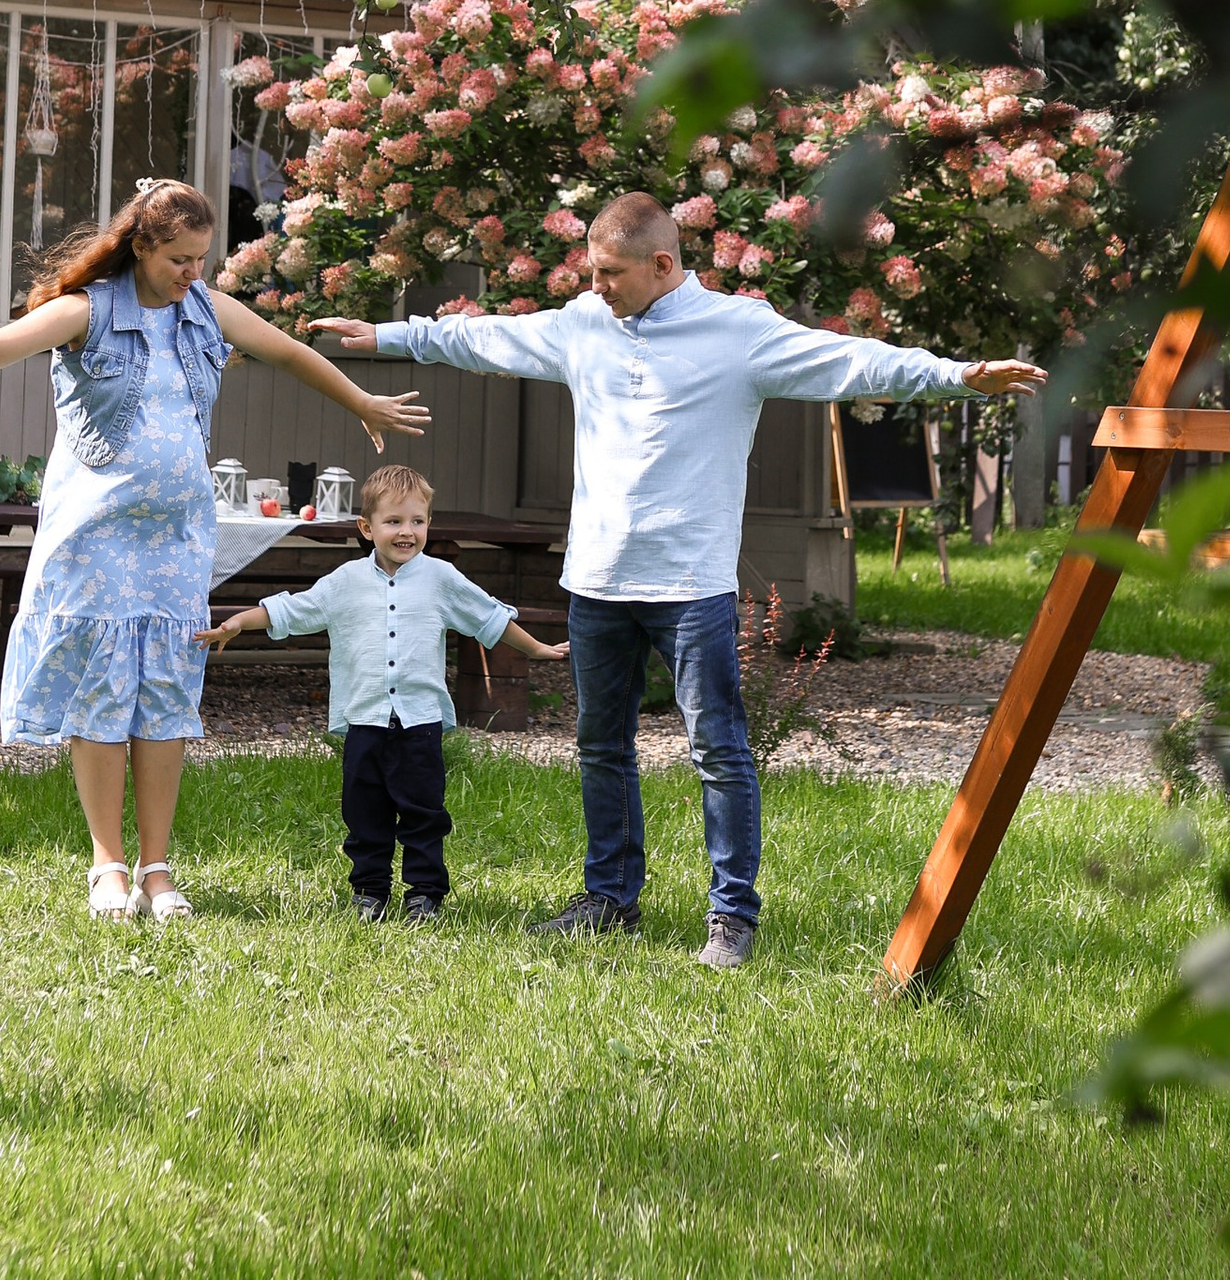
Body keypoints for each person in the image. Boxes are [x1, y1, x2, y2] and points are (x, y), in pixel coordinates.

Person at [316, 193, 1041, 968]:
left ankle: (731, 916)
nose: (596, 286)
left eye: (611, 273)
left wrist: (959, 375)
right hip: (597, 580)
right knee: (602, 747)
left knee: (719, 752)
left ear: (663, 265)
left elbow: (851, 360)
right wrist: (387, 332)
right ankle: (609, 899)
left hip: (691, 584)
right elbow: (484, 337)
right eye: (590, 271)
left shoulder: (740, 333)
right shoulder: (584, 326)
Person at [0, 179, 428, 921]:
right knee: (103, 692)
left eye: (201, 259)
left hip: (176, 539)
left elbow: (290, 353)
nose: (191, 273)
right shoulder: (87, 313)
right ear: (141, 245)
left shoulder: (206, 310)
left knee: (165, 693)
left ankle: (158, 870)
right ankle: (108, 867)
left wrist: (359, 402)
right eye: (178, 259)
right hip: (97, 537)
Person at [201, 463, 569, 923]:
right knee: (365, 814)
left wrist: (536, 648)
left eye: (417, 521)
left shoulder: (441, 578)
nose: (406, 532)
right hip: (365, 720)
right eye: (394, 522)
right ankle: (370, 892)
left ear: (429, 525)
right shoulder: (345, 582)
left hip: (419, 722)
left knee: (423, 811)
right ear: (366, 527)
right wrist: (238, 622)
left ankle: (424, 893)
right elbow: (294, 611)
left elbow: (488, 616)